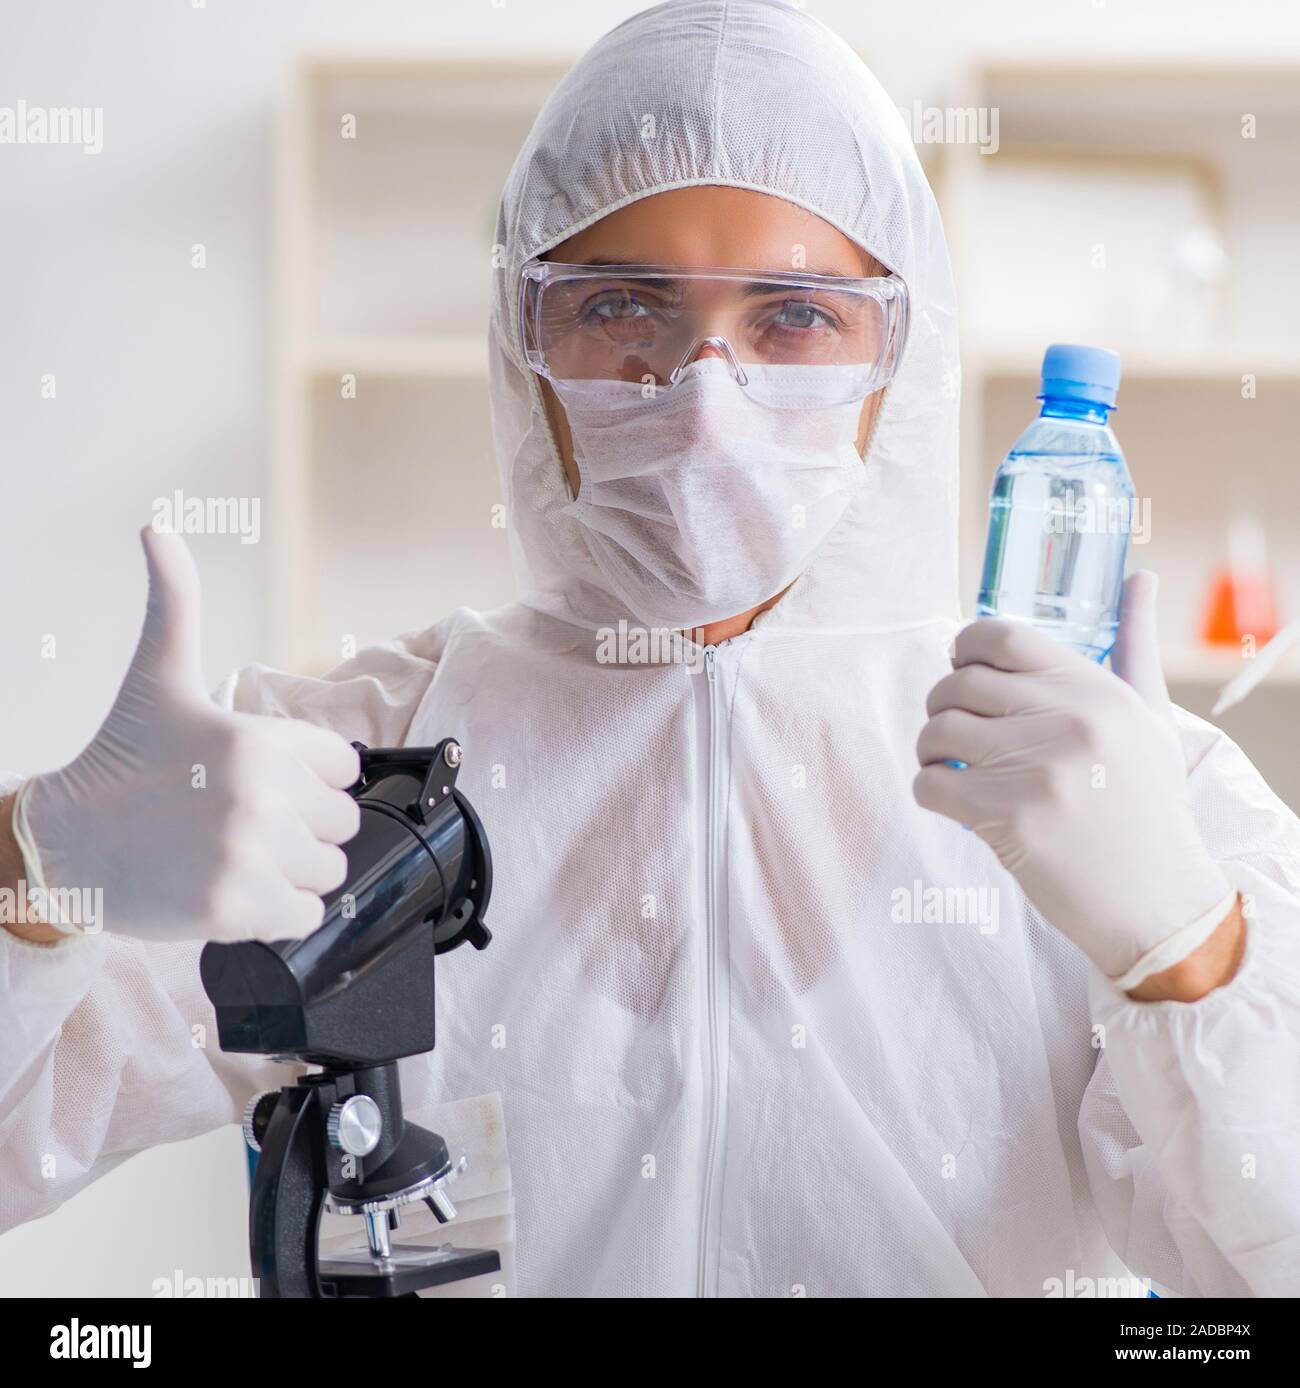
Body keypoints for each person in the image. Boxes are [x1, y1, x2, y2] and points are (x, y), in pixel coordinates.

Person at [3, 0, 1298, 1298]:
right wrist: (33, 873)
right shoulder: (343, 768)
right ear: (525, 339)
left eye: (795, 316)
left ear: (894, 354)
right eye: (622, 306)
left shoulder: (1087, 784)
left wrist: (1185, 948)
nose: (705, 397)